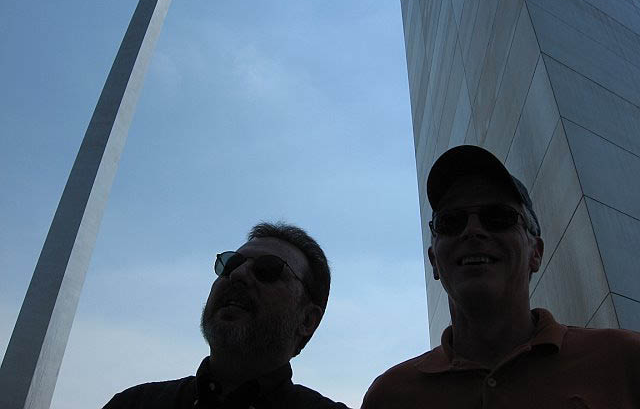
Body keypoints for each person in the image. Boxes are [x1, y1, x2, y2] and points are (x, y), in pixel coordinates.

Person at [361, 145, 640, 409]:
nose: (472, 230)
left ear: (536, 253)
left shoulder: (625, 361)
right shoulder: (389, 396)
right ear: (434, 261)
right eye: (451, 222)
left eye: (498, 216)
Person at [104, 221, 349, 409]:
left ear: (307, 320)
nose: (238, 274)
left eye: (268, 269)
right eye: (230, 263)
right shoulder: (133, 404)